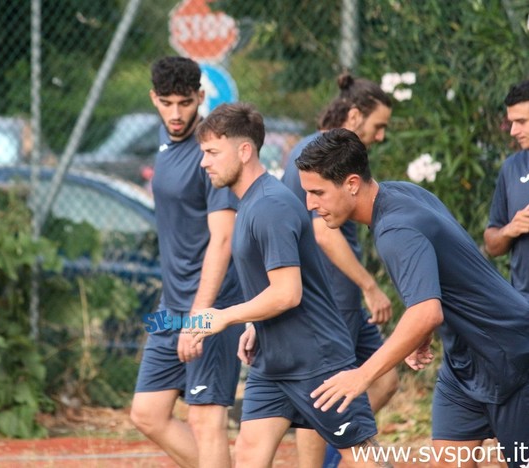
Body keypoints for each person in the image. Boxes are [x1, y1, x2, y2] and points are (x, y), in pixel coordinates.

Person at [297, 128, 529, 468]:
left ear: (351, 184)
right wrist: (422, 333)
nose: (310, 204)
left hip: (511, 356)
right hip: (464, 361)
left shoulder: (395, 230)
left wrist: (362, 375)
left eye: (317, 192)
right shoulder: (400, 193)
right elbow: (443, 277)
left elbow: (426, 312)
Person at [191, 102, 390, 468]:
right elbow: (270, 287)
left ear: (245, 150)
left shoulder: (269, 206)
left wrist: (225, 317)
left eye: (212, 152)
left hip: (317, 361)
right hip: (272, 362)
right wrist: (254, 323)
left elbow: (287, 292)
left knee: (365, 458)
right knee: (249, 452)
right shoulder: (251, 203)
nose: (204, 162)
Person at [130, 56, 244, 468]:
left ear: (200, 96)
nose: (176, 114)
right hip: (170, 308)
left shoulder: (211, 152)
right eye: (166, 103)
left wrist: (200, 316)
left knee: (205, 418)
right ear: (153, 99)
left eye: (185, 103)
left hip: (209, 306)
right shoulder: (165, 138)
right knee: (147, 412)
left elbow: (224, 237)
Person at [282, 73, 398, 467]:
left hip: (343, 299)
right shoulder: (315, 155)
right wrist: (370, 286)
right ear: (353, 116)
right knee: (326, 398)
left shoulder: (329, 154)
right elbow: (323, 235)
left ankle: (342, 455)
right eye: (377, 126)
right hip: (330, 297)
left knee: (385, 379)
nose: (380, 136)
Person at [484, 79, 529, 302]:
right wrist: (510, 229)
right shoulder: (512, 167)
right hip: (523, 303)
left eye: (521, 121)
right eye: (512, 122)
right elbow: (492, 244)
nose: (513, 131)